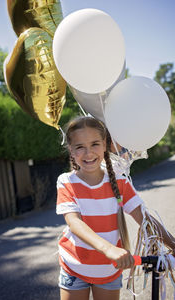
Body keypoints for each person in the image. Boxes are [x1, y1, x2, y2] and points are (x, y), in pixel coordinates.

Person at [56, 116, 175, 300]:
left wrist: (173, 244)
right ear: (71, 150)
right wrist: (108, 249)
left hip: (108, 269)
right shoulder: (66, 182)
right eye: (80, 147)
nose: (88, 153)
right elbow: (74, 223)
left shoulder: (119, 181)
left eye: (95, 144)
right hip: (74, 267)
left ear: (105, 145)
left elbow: (145, 218)